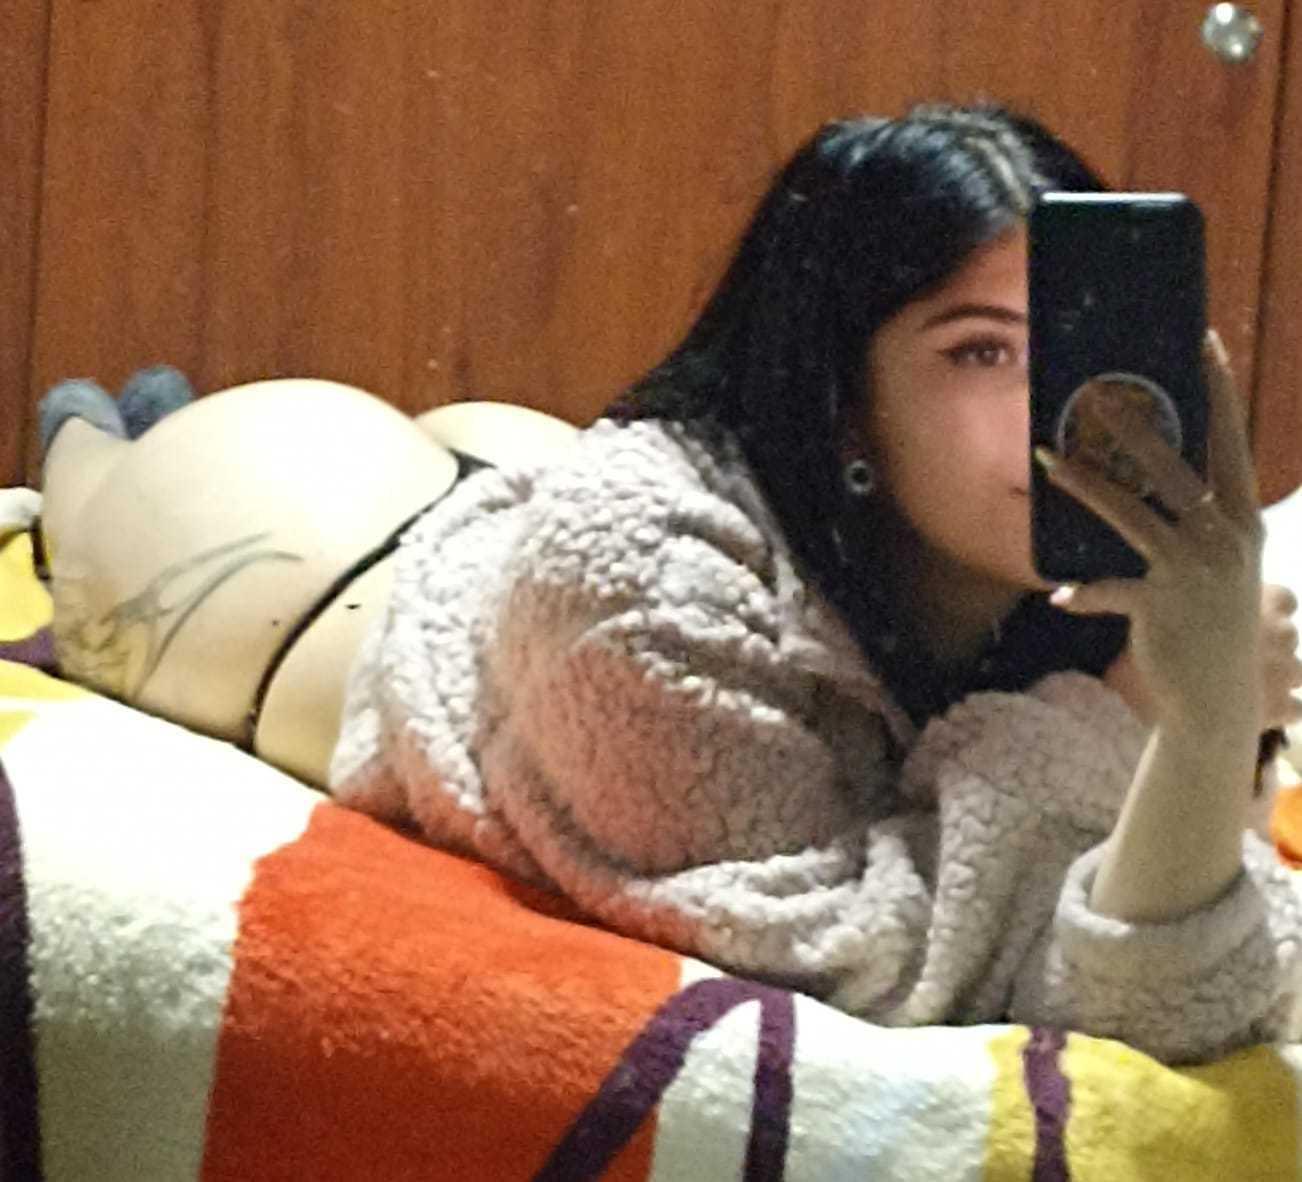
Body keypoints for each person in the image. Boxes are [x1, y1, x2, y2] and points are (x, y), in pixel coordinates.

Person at [36, 100, 1302, 1065]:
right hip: (299, 566)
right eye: (979, 351)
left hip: (526, 493)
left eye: (1069, 348)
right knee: (98, 490)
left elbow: (1210, 961)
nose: (1051, 411)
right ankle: (92, 434)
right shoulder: (641, 583)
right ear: (841, 397)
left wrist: (1205, 716)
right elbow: (880, 972)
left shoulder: (1070, 568)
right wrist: (1168, 716)